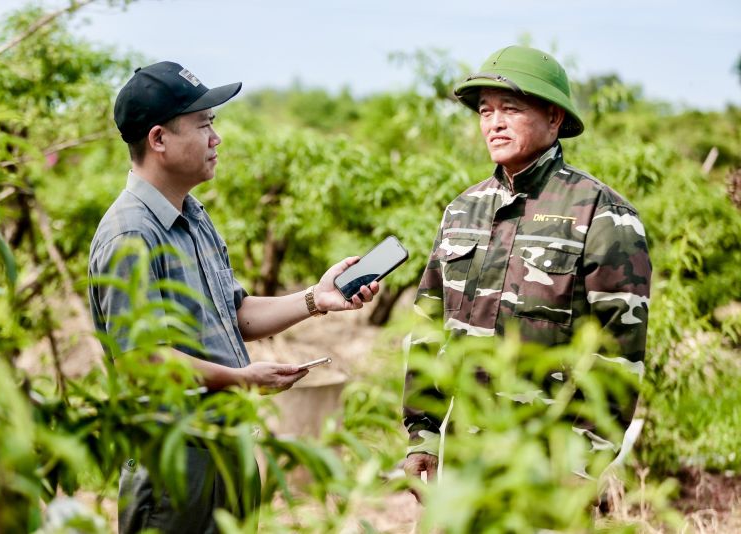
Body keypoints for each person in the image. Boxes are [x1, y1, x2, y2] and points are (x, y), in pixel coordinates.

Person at [88, 61, 379, 533]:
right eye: (203, 125)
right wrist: (241, 379)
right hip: (175, 465)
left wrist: (315, 299)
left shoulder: (194, 216)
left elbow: (235, 313)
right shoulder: (131, 234)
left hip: (227, 451)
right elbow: (142, 360)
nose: (215, 138)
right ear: (158, 139)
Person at [402, 46, 652, 484]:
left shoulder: (601, 212)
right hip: (466, 460)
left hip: (551, 468)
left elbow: (618, 350)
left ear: (554, 118)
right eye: (485, 111)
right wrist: (422, 434)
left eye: (510, 109)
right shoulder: (462, 210)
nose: (494, 123)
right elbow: (429, 327)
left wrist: (584, 465)